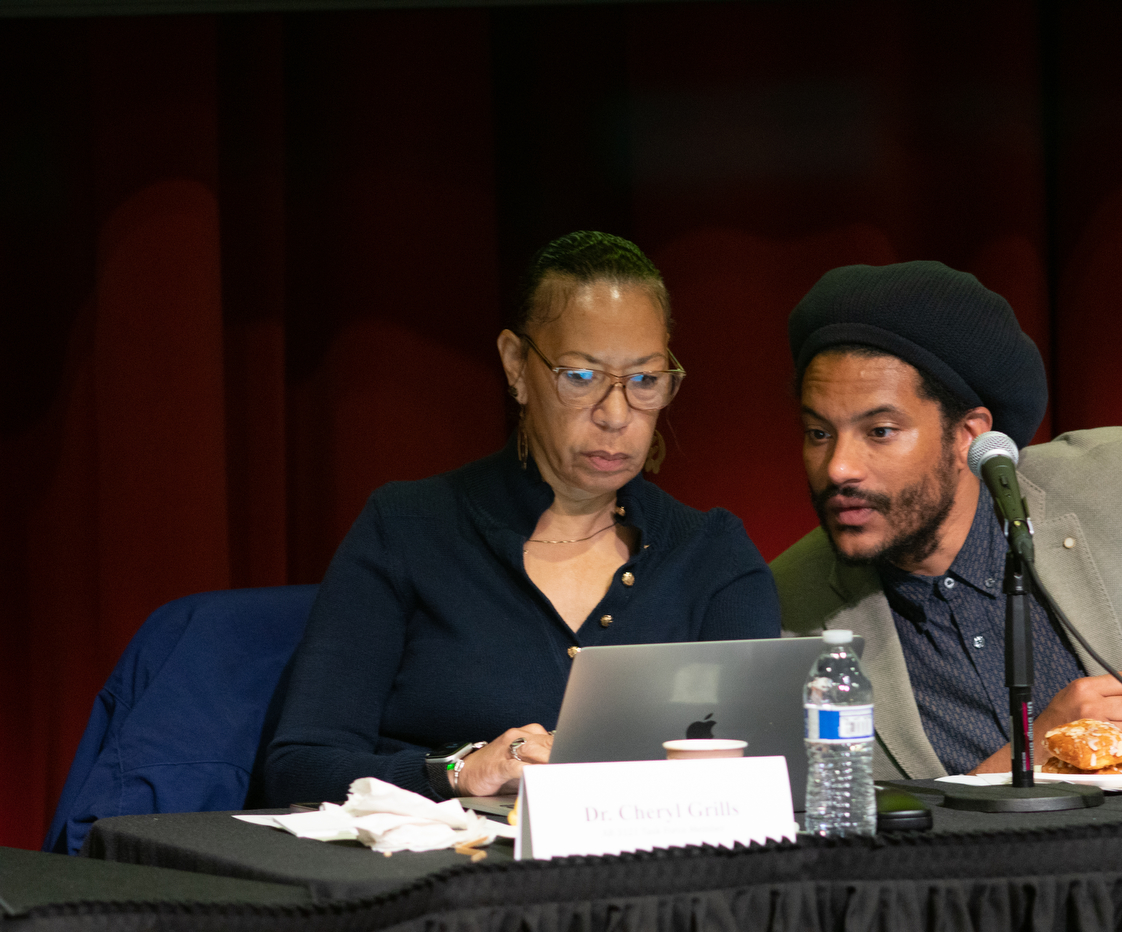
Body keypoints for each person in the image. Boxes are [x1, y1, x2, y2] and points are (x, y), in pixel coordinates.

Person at [265, 232, 780, 805]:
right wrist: (457, 775)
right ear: (516, 365)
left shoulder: (712, 554)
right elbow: (299, 766)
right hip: (444, 877)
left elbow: (763, 774)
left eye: (644, 380)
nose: (616, 415)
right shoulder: (408, 528)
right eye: (581, 377)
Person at [770, 260, 1122, 779]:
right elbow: (832, 826)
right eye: (819, 433)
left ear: (969, 436)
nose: (838, 467)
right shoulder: (787, 608)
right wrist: (1025, 758)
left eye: (880, 431)